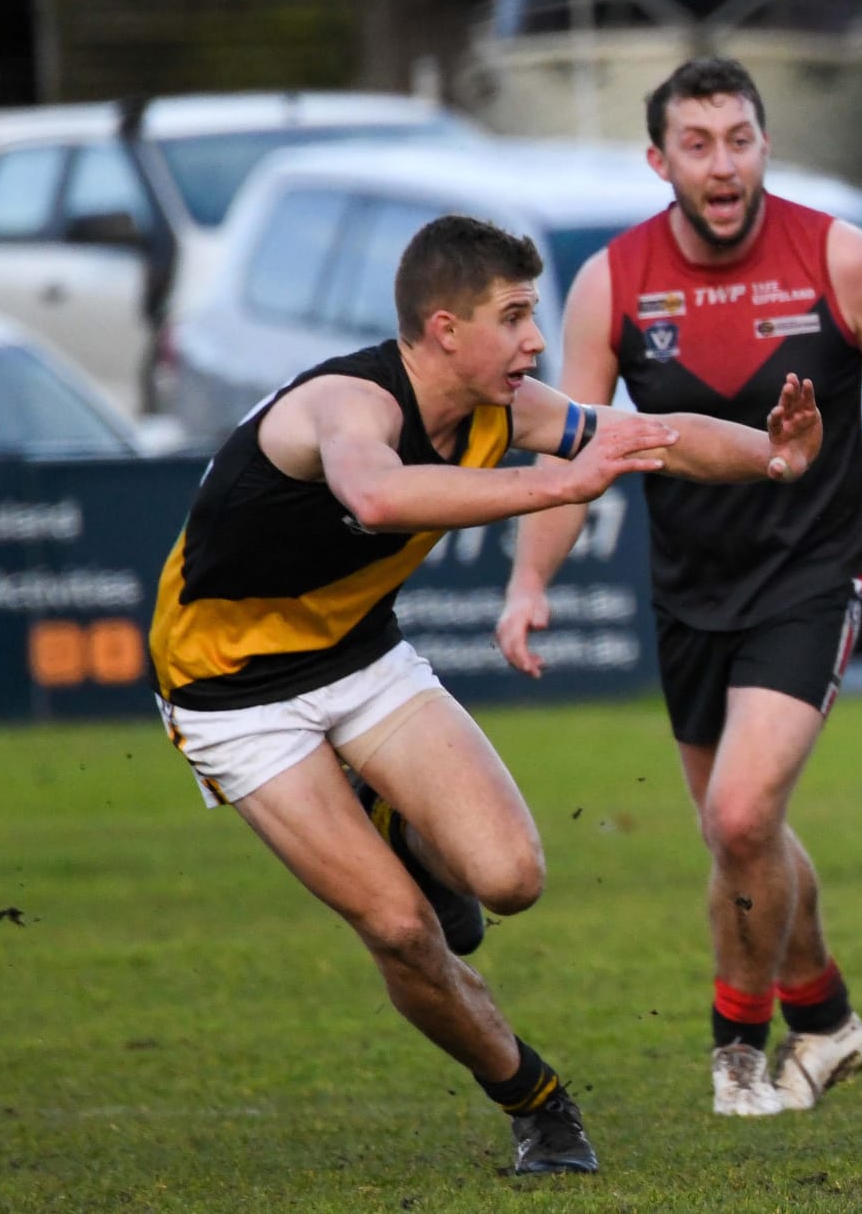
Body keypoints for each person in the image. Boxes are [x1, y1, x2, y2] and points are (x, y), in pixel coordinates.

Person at [149, 215, 824, 1174]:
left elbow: (647, 439)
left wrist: (772, 456)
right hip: (231, 692)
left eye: (533, 315)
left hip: (353, 651)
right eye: (512, 317)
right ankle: (538, 1102)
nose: (535, 340)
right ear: (443, 329)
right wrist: (558, 489)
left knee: (509, 878)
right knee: (399, 928)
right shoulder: (347, 405)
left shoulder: (503, 408)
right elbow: (377, 497)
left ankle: (390, 818)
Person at [497, 57, 862, 1118]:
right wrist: (530, 579)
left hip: (812, 577)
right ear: (659, 160)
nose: (722, 164)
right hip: (687, 591)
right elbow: (575, 450)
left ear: (764, 146)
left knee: (745, 812)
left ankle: (737, 1054)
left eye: (739, 139)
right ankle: (828, 1015)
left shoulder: (842, 258)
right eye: (697, 144)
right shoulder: (612, 282)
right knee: (733, 832)